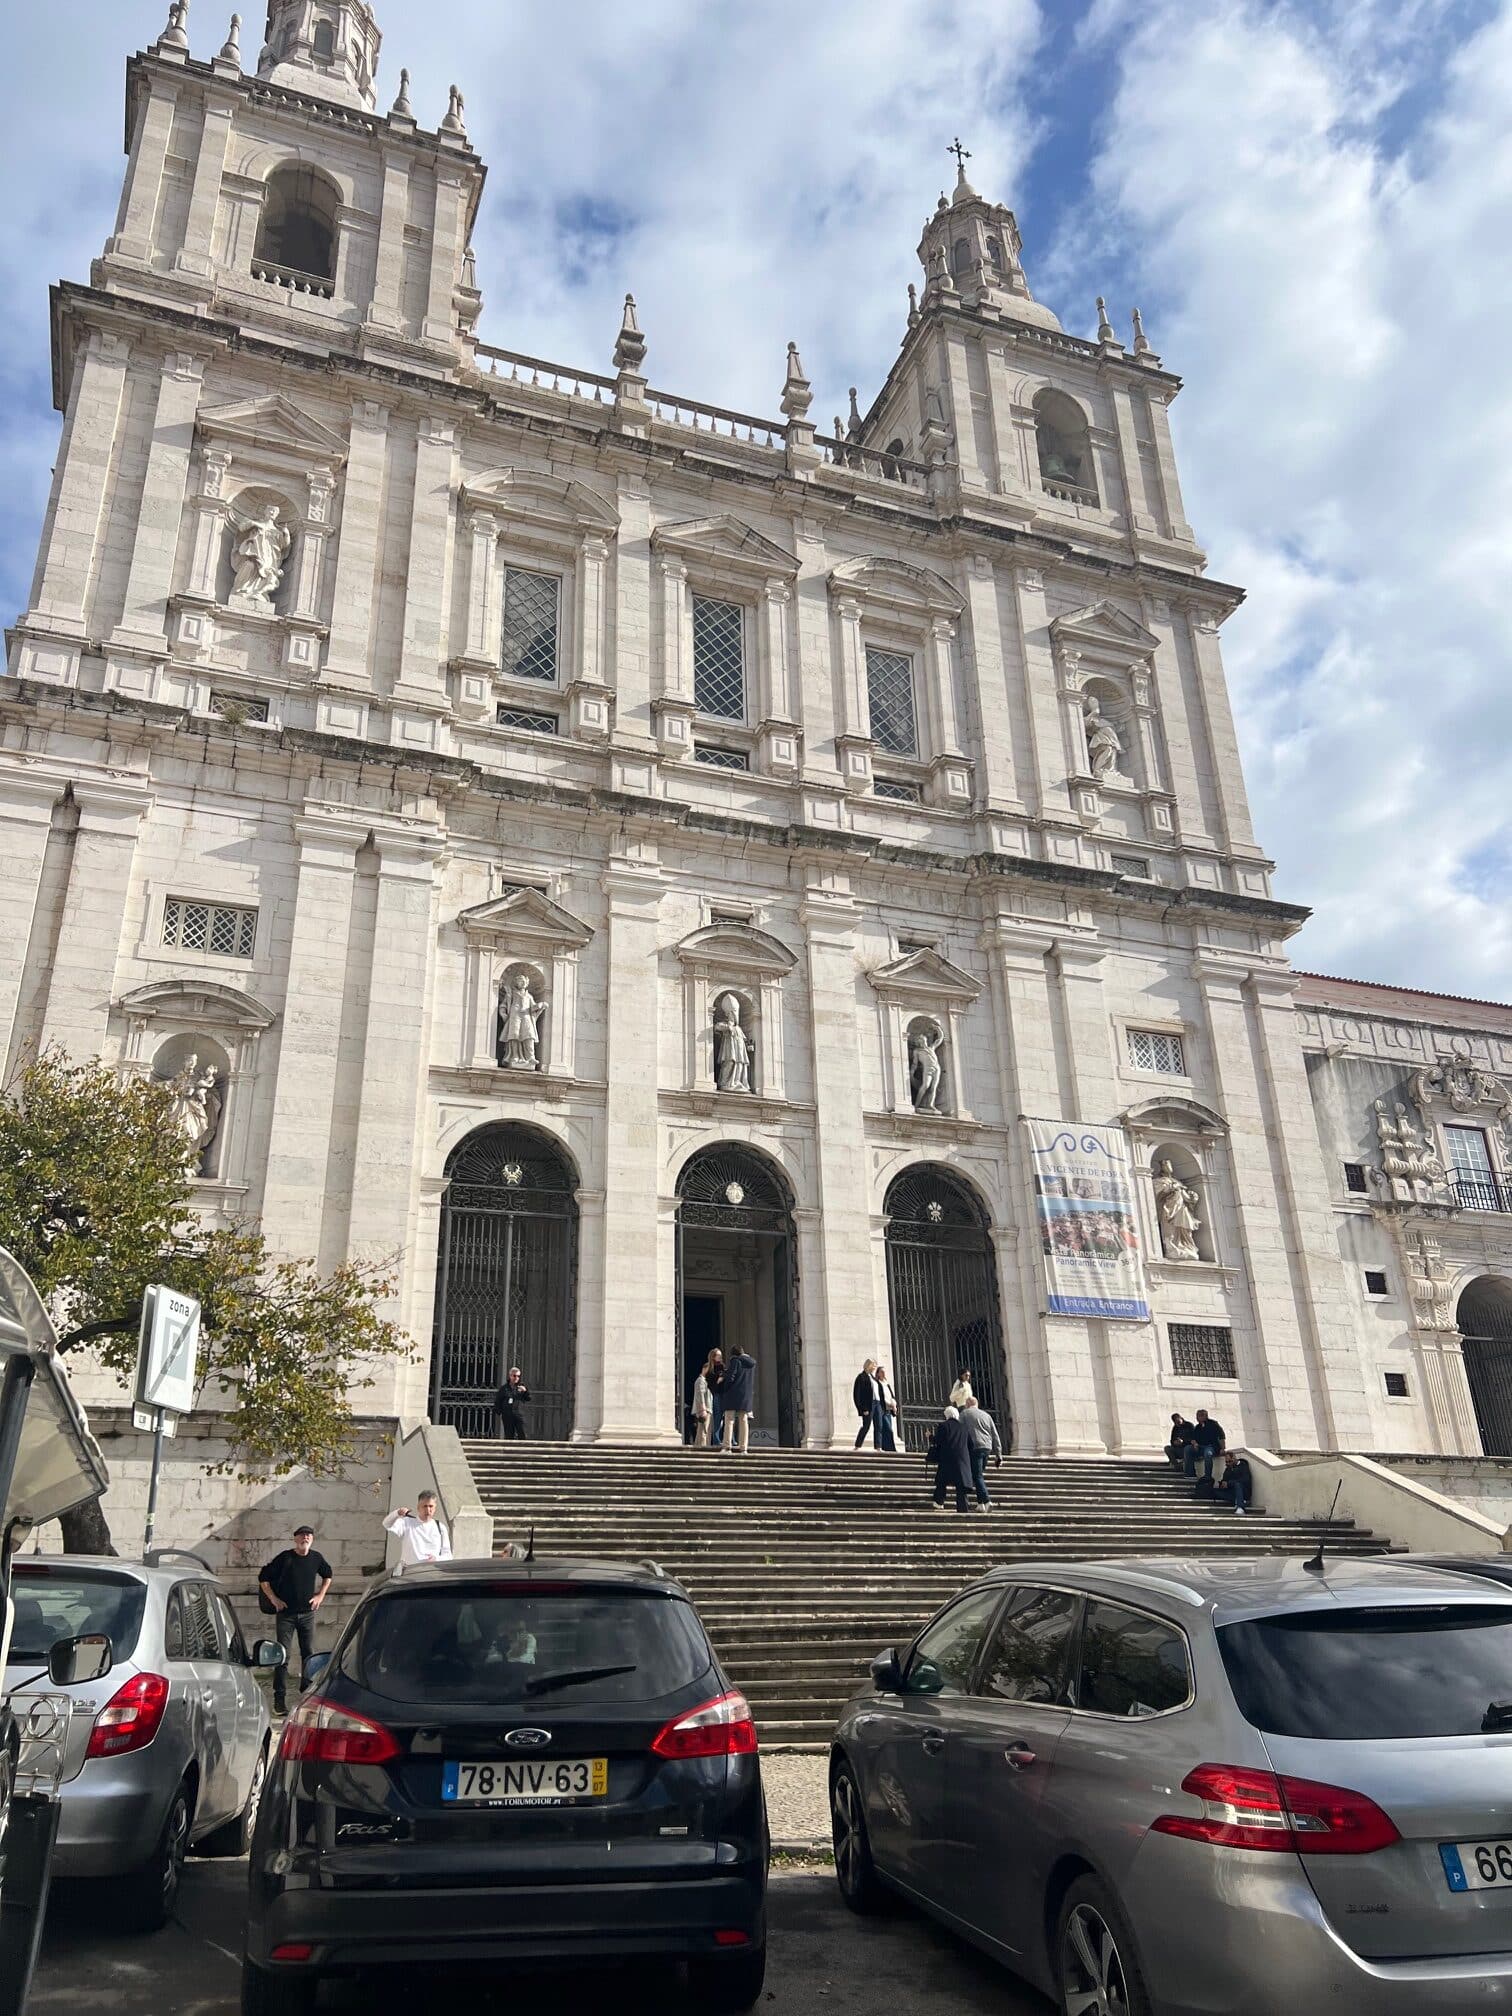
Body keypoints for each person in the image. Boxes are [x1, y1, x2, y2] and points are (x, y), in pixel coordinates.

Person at [258, 1525, 332, 1715]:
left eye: (308, 1535)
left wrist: (320, 1596)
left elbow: (328, 1575)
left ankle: (307, 1696)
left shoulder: (316, 1558)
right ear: (295, 1539)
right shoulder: (285, 1557)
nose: (305, 1538)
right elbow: (263, 1577)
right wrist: (274, 1599)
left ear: (312, 1539)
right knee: (282, 1656)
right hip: (286, 1616)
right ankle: (279, 1700)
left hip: (307, 1615)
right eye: (301, 1535)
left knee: (309, 1656)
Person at [384, 1490, 453, 1572]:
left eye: (431, 1506)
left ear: (435, 1508)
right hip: (409, 1573)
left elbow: (448, 1555)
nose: (428, 1510)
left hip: (432, 1573)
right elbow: (386, 1524)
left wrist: (437, 1559)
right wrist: (397, 1513)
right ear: (418, 1507)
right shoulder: (406, 1523)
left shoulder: (440, 1527)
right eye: (425, 1506)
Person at [926, 1405, 976, 1514]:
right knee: (961, 1486)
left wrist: (930, 1436)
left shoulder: (944, 1426)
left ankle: (939, 1502)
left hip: (947, 1459)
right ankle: (963, 1508)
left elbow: (938, 1441)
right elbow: (971, 1445)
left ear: (946, 1416)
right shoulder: (964, 1428)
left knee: (942, 1482)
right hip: (962, 1460)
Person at [960, 1395, 1004, 1507]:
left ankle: (986, 1500)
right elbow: (995, 1435)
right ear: (977, 1404)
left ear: (967, 1404)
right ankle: (980, 1504)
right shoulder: (986, 1415)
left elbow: (960, 1431)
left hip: (975, 1447)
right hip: (987, 1448)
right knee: (977, 1475)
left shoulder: (964, 1414)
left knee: (977, 1476)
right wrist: (998, 1454)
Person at [722, 1348, 757, 1454]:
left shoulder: (735, 1361)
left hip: (733, 1393)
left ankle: (727, 1447)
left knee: (729, 1419)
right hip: (746, 1395)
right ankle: (743, 1448)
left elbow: (731, 1377)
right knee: (743, 1420)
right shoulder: (752, 1364)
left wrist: (724, 1385)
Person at [1184, 1409, 1226, 1487]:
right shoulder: (1197, 1427)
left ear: (1205, 1416)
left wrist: (1222, 1448)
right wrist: (1195, 1444)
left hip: (1211, 1446)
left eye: (1199, 1416)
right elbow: (1193, 1438)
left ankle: (1208, 1476)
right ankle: (1190, 1473)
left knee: (1208, 1453)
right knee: (1188, 1449)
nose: (1197, 1418)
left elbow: (1221, 1436)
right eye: (1197, 1416)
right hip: (1200, 1447)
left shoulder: (1213, 1424)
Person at [492, 1366, 531, 1440]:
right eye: (514, 1376)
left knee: (522, 1433)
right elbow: (498, 1401)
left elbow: (528, 1398)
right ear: (510, 1376)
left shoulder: (522, 1387)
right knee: (509, 1435)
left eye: (518, 1376)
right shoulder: (504, 1388)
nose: (516, 1378)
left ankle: (523, 1450)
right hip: (507, 1415)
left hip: (519, 1414)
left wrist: (525, 1391)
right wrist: (500, 1411)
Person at [852, 1359, 880, 1449]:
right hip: (868, 1405)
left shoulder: (874, 1378)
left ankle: (878, 1447)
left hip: (877, 1403)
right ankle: (858, 1445)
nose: (875, 1368)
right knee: (866, 1426)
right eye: (874, 1365)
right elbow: (857, 1395)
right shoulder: (861, 1377)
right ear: (869, 1365)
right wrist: (862, 1408)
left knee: (879, 1426)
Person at [1216, 1450, 1253, 1515]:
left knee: (1237, 1484)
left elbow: (1245, 1479)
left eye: (1229, 1461)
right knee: (1215, 1491)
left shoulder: (1243, 1465)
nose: (1228, 1463)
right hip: (1232, 1492)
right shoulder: (1228, 1469)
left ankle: (1240, 1507)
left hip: (1243, 1490)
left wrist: (1229, 1483)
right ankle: (1240, 1501)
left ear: (1234, 1459)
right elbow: (1224, 1479)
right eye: (1226, 1462)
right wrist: (1223, 1483)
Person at [874, 1363, 900, 1453]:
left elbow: (891, 1395)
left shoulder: (886, 1383)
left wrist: (894, 1405)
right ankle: (889, 1448)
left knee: (888, 1429)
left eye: (884, 1372)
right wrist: (890, 1404)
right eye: (882, 1372)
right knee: (887, 1429)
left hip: (889, 1409)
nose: (884, 1373)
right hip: (882, 1409)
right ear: (878, 1373)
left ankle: (887, 1447)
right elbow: (881, 1397)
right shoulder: (877, 1383)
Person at [691, 1358, 714, 1448]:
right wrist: (703, 1409)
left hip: (707, 1409)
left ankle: (699, 1446)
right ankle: (703, 1448)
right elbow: (700, 1396)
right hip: (704, 1409)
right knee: (704, 1431)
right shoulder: (700, 1381)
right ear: (704, 1369)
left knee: (704, 1431)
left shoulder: (706, 1381)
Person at [706, 1348, 727, 1450]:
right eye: (718, 1355)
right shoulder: (710, 1369)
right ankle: (716, 1440)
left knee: (727, 1418)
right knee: (717, 1418)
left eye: (721, 1355)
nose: (720, 1357)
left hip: (724, 1394)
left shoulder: (723, 1366)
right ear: (713, 1356)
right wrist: (718, 1380)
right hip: (716, 1395)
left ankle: (729, 1439)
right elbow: (710, 1383)